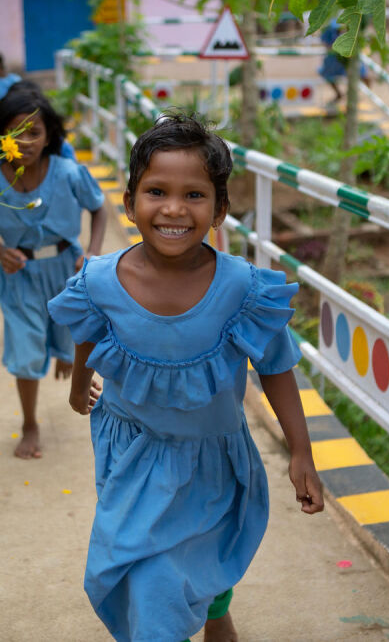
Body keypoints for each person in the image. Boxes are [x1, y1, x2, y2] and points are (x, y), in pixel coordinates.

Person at [47, 114, 325, 641]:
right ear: (128, 203)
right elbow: (87, 331)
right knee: (151, 584)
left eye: (194, 195)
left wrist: (301, 452)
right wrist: (79, 380)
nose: (174, 209)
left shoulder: (243, 290)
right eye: (156, 191)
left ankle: (216, 613)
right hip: (132, 456)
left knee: (197, 577)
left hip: (213, 465)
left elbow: (276, 367)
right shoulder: (100, 281)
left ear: (220, 210)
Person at [0, 87, 107, 459]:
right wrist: (0, 251)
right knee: (26, 349)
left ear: (49, 137)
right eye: (14, 132)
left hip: (68, 272)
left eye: (34, 132)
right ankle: (29, 422)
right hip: (21, 276)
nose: (25, 141)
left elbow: (99, 208)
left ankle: (64, 353)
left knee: (71, 338)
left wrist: (92, 252)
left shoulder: (70, 174)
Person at [318, 18, 369, 103]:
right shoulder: (330, 28)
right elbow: (326, 43)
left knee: (362, 73)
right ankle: (341, 94)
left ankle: (363, 95)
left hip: (348, 57)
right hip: (336, 58)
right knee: (328, 74)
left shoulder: (348, 26)